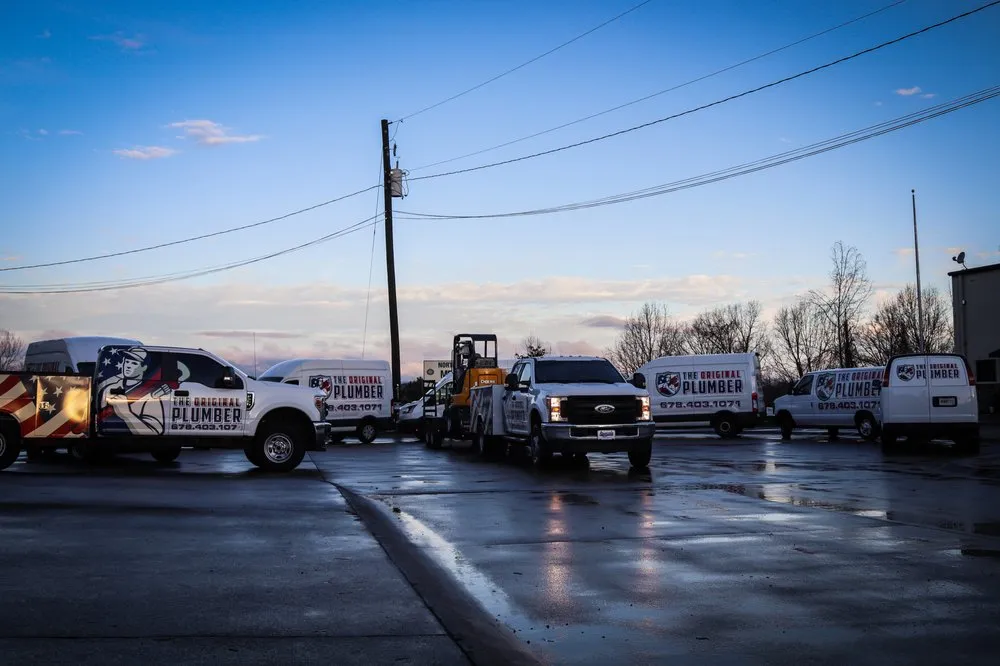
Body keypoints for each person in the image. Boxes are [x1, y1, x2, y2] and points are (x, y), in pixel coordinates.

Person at [98, 347, 171, 435]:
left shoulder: (150, 395)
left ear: (144, 368)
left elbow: (155, 431)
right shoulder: (109, 387)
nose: (128, 365)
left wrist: (127, 414)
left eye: (134, 363)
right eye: (127, 361)